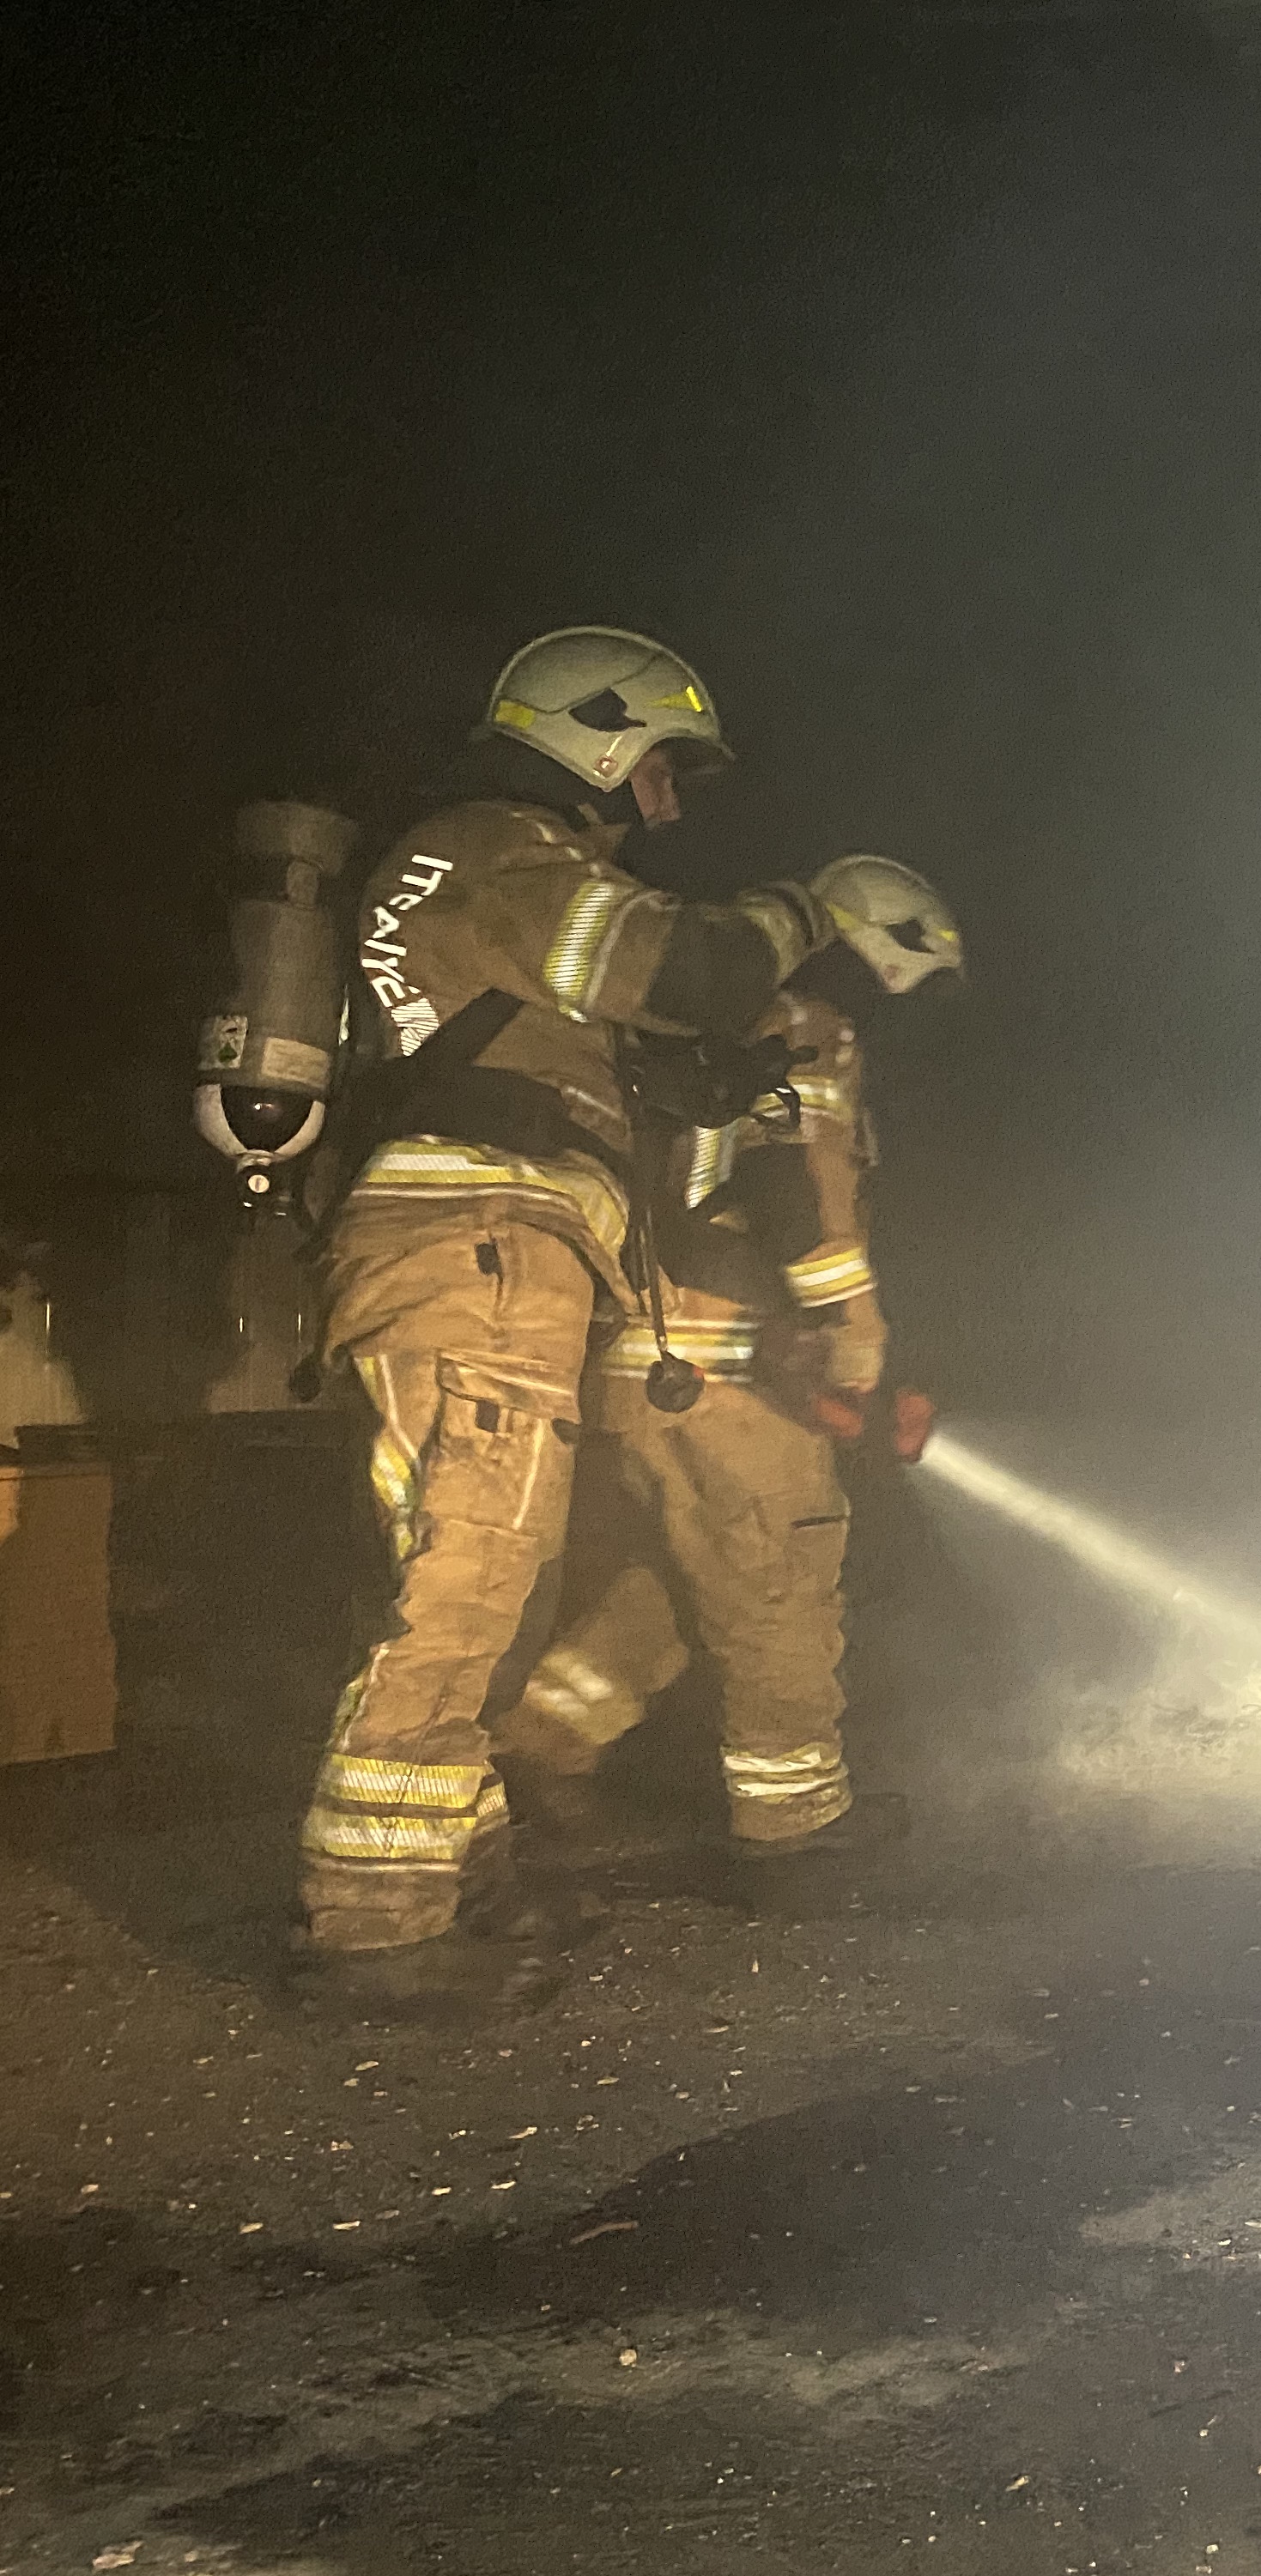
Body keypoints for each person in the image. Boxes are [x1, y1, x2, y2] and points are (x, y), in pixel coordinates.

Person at [293, 626, 911, 2013]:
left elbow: (658, 1072)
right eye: (660, 766)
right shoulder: (500, 847)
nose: (667, 800)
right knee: (468, 1572)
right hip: (479, 1239)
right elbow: (679, 967)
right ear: (599, 734)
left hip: (504, 1245)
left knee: (490, 1573)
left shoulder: (492, 879)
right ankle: (373, 1928)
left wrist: (736, 1066)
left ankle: (462, 1874)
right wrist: (809, 909)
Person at [487, 860, 962, 1910]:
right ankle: (796, 1828)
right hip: (736, 1359)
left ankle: (539, 1741)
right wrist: (850, 1324)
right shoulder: (805, 1030)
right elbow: (803, 1187)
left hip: (646, 1363)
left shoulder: (680, 1027)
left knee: (678, 1582)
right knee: (779, 1581)